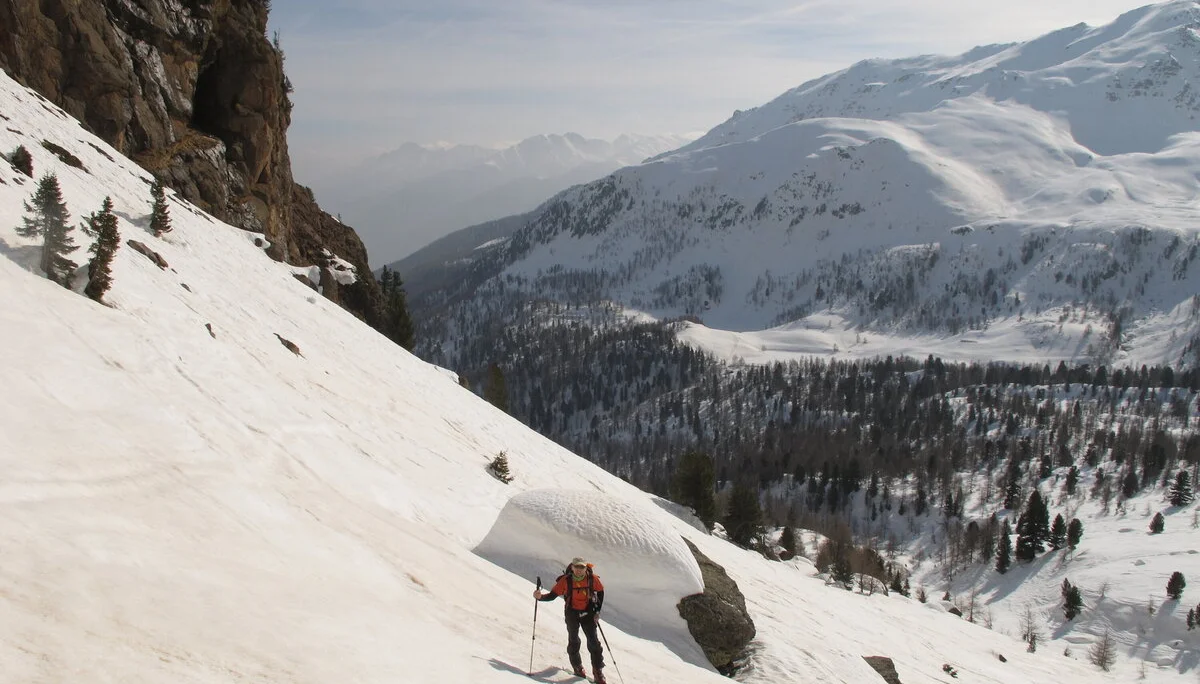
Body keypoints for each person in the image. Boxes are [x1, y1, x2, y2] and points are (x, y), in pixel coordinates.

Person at [534, 557, 607, 683]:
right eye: (576, 567)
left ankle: (598, 671)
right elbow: (552, 595)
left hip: (588, 612)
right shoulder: (565, 581)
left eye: (582, 567)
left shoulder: (592, 579)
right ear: (572, 567)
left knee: (593, 642)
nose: (579, 570)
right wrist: (540, 597)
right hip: (571, 613)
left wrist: (597, 611)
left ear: (585, 568)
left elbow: (600, 592)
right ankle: (577, 667)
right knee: (574, 640)